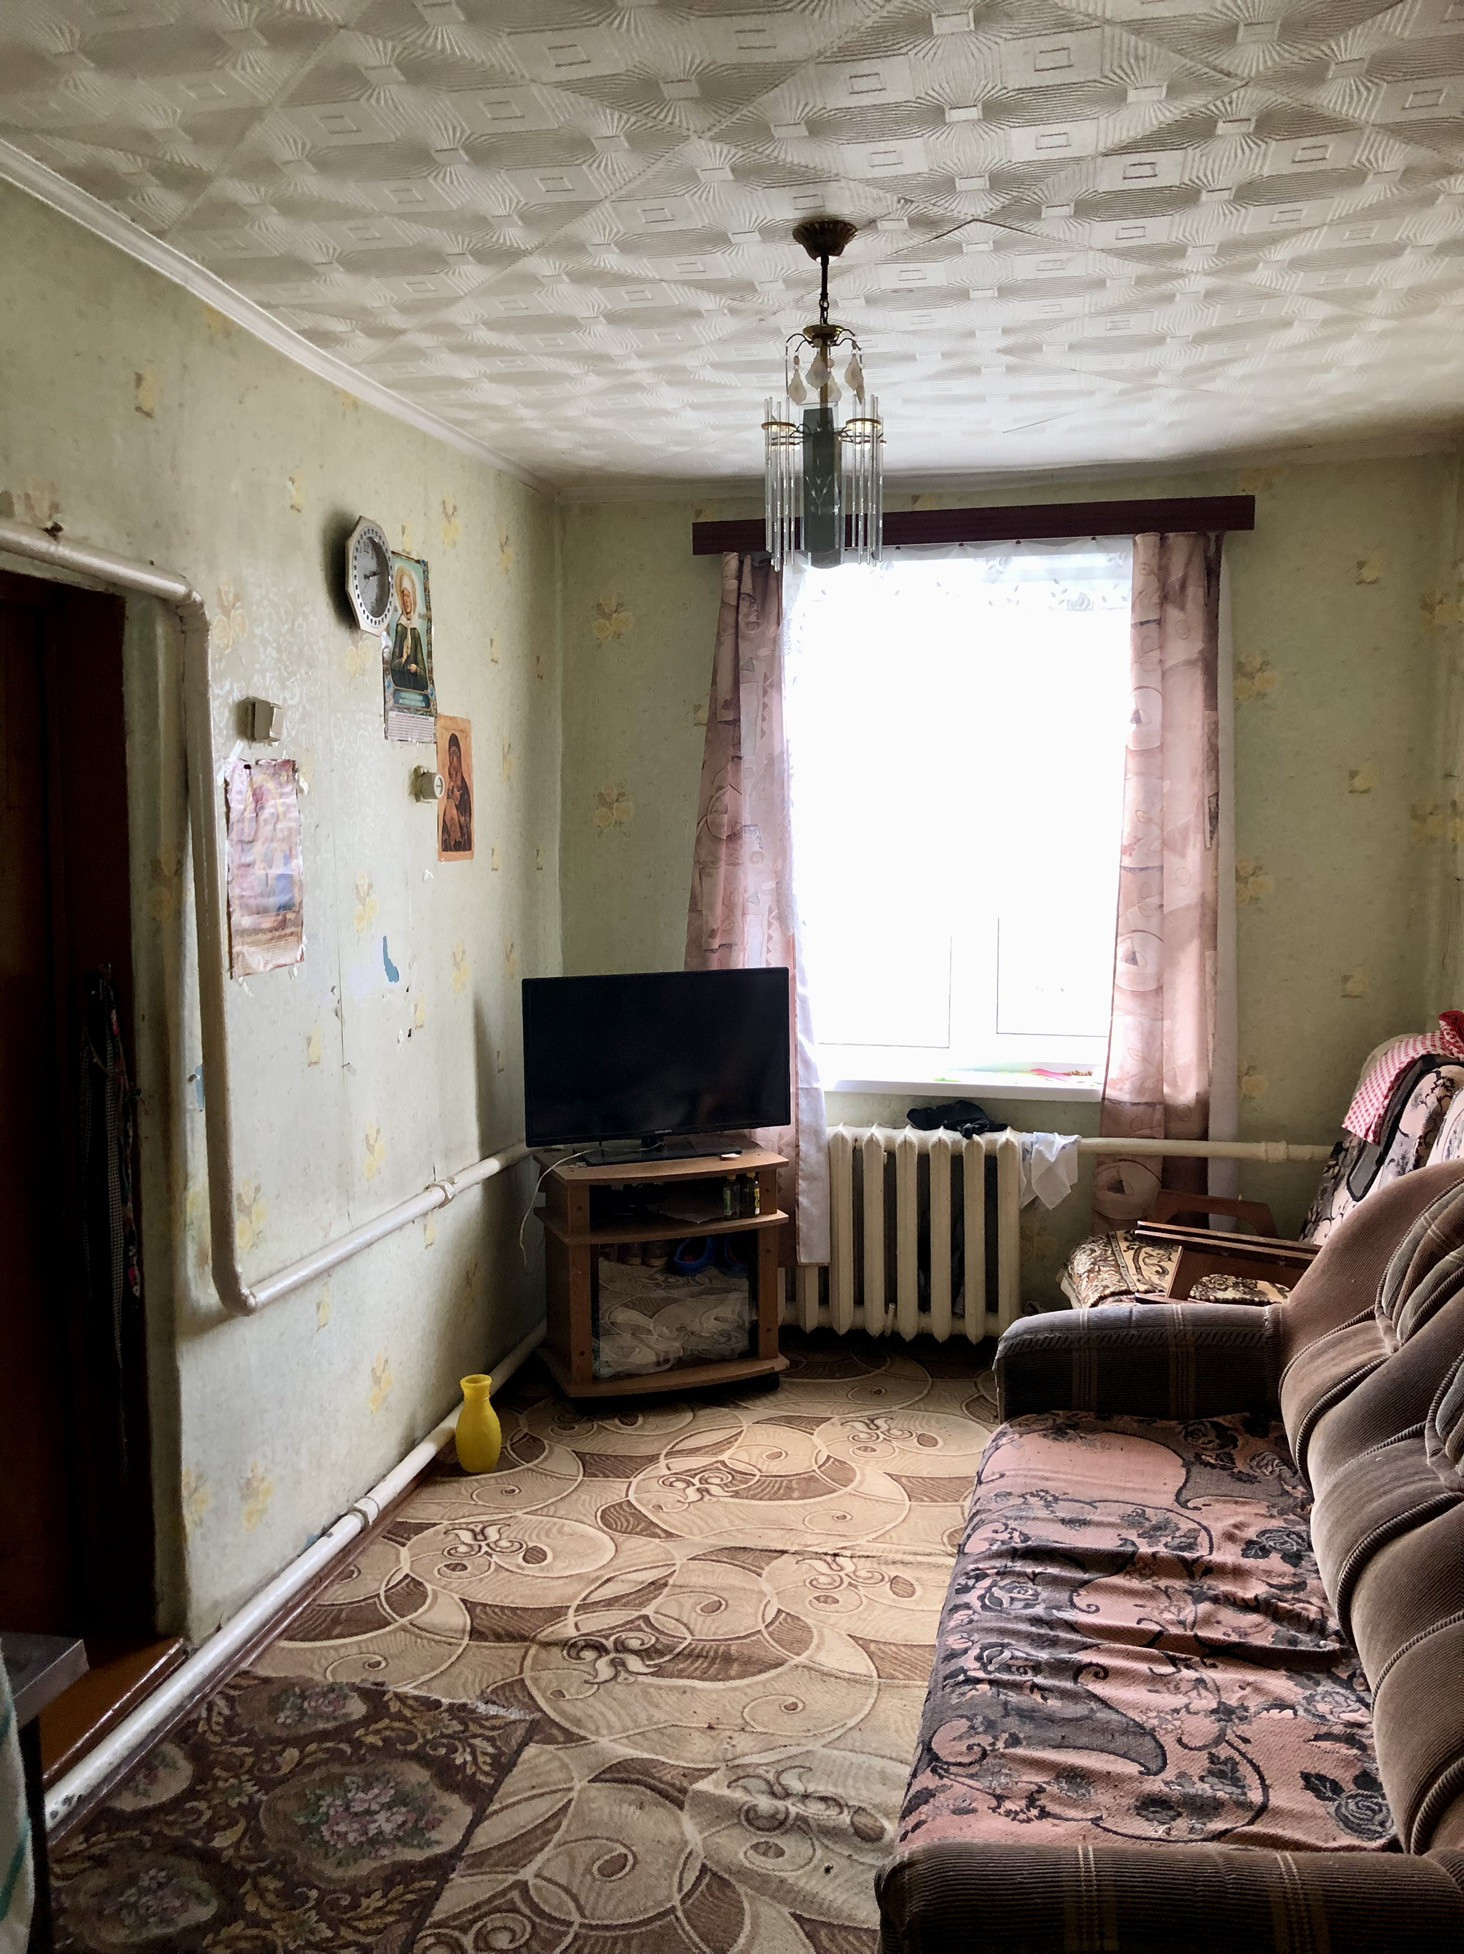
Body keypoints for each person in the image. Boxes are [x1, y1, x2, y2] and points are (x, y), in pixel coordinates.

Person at [389, 566, 431, 703]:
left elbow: (424, 677)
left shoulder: (415, 633)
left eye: (408, 596)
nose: (406, 600)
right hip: (400, 695)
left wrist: (417, 669)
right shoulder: (400, 628)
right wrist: (403, 659)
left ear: (413, 598)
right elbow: (393, 666)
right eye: (403, 596)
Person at [442, 731, 472, 852]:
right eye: (451, 755)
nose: (453, 760)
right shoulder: (449, 784)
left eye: (455, 755)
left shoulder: (464, 789)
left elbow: (466, 820)